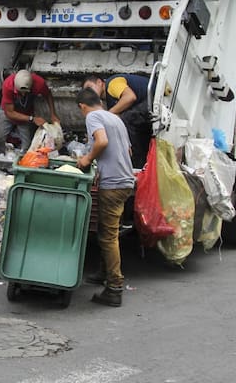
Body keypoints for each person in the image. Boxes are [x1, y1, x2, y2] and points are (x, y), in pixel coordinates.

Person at [76, 87, 135, 307]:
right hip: (126, 181)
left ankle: (114, 288)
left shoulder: (93, 116)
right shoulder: (115, 118)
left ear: (82, 106)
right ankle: (103, 271)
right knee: (107, 231)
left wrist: (86, 160)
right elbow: (128, 152)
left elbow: (101, 142)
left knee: (108, 235)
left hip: (113, 184)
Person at [82, 74, 152, 169]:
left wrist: (107, 115)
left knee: (127, 120)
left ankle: (136, 166)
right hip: (146, 111)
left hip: (151, 102)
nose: (90, 92)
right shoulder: (111, 99)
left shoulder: (112, 84)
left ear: (99, 82)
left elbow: (130, 97)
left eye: (90, 87)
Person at [0, 69, 60, 152]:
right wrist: (32, 119)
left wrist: (53, 114)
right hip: (8, 112)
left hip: (26, 111)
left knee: (28, 147)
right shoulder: (8, 85)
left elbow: (48, 95)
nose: (23, 94)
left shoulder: (39, 83)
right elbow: (10, 113)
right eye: (20, 92)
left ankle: (23, 160)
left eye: (25, 92)